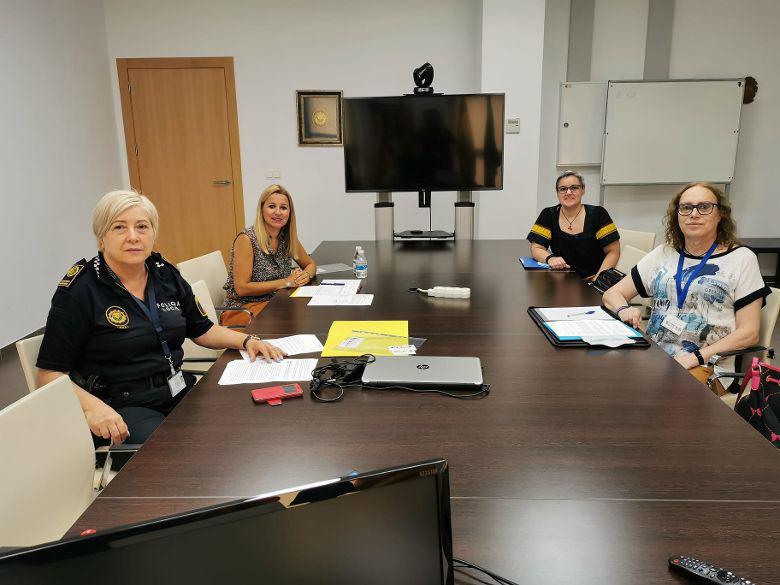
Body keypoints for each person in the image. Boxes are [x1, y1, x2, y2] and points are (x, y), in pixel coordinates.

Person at [36, 190, 286, 448]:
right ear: (102, 237)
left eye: (142, 227)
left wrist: (247, 341)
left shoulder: (164, 274)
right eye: (119, 227)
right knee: (183, 451)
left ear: (153, 234)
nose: (133, 236)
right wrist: (94, 408)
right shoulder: (79, 291)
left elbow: (202, 329)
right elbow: (48, 375)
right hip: (122, 406)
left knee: (243, 424)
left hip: (175, 389)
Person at [603, 182, 770, 388]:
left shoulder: (742, 259)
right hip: (654, 356)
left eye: (704, 207)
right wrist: (623, 309)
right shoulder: (664, 253)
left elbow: (749, 332)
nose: (694, 214)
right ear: (677, 215)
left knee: (654, 395)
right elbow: (612, 293)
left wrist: (695, 357)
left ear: (720, 215)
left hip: (708, 366)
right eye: (686, 207)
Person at [222, 184, 316, 325]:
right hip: (243, 311)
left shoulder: (287, 238)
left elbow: (310, 264)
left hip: (275, 304)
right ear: (262, 209)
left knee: (306, 317)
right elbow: (241, 288)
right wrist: (286, 282)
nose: (278, 212)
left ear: (289, 212)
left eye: (283, 208)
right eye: (272, 206)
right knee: (294, 323)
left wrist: (305, 276)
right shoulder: (247, 239)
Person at [527, 170, 621, 278]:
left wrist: (598, 280)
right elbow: (536, 247)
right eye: (563, 189)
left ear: (583, 190)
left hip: (593, 279)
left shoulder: (598, 214)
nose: (568, 193)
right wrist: (551, 259)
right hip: (562, 281)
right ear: (557, 192)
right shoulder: (548, 214)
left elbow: (613, 252)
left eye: (574, 188)